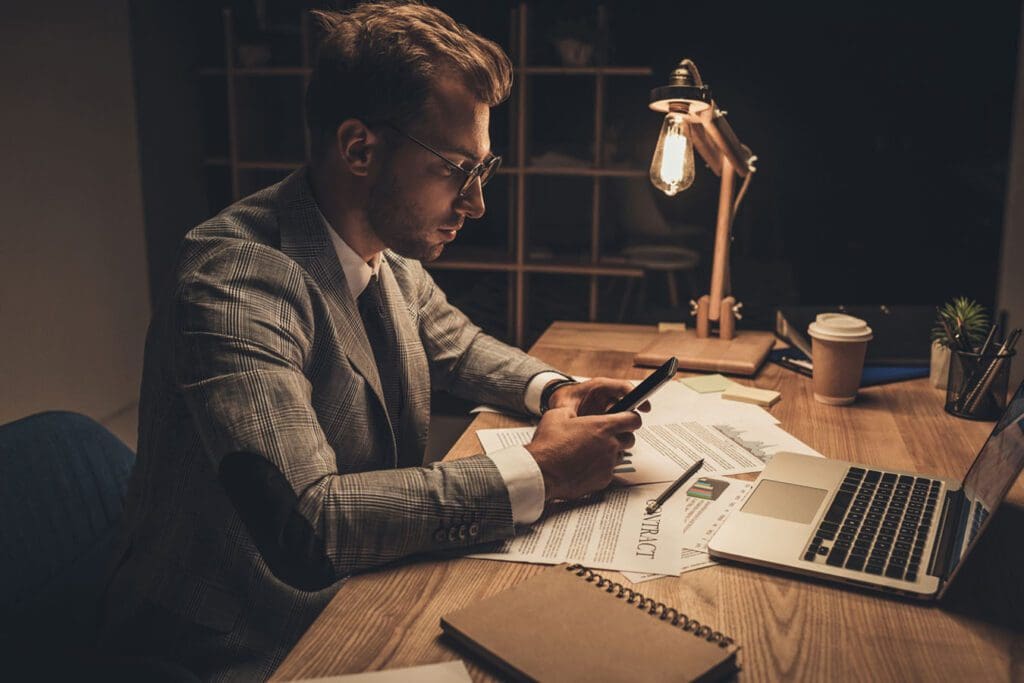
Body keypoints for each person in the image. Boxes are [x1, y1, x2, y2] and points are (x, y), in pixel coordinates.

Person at [100, 2, 645, 679]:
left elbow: (459, 345)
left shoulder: (382, 250)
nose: (477, 203)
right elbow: (310, 522)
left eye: (484, 168)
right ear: (360, 148)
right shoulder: (238, 281)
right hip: (232, 645)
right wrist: (543, 470)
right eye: (455, 168)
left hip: (355, 594)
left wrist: (557, 389)